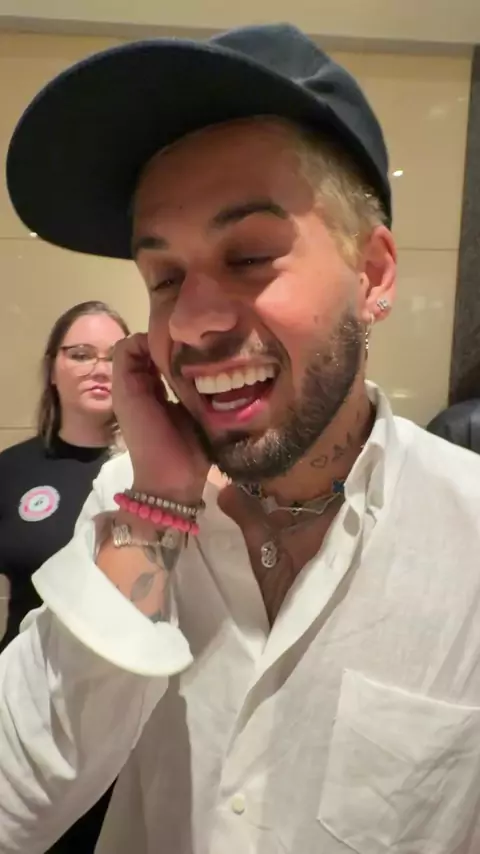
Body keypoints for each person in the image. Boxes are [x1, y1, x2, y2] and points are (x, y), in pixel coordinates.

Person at [2, 23, 480, 854]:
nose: (190, 321)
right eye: (164, 277)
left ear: (373, 274)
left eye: (251, 255)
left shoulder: (468, 535)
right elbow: (17, 796)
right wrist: (157, 508)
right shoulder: (129, 506)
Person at [0, 300, 129, 851]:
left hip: (128, 716)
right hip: (29, 708)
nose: (100, 368)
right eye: (81, 354)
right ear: (52, 368)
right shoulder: (12, 470)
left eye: (115, 356)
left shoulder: (156, 470)